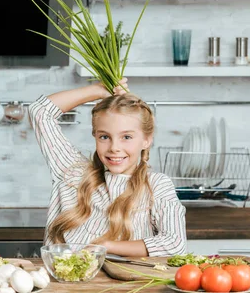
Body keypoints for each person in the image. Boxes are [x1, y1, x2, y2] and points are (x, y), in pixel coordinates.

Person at [28, 79, 186, 257]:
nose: (114, 148)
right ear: (95, 135)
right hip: (67, 284)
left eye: (126, 137)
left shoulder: (156, 185)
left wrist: (105, 246)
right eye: (104, 137)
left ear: (146, 140)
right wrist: (98, 90)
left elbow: (175, 243)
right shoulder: (73, 172)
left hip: (127, 284)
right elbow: (40, 112)